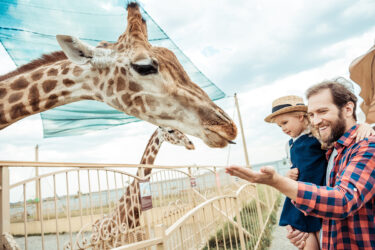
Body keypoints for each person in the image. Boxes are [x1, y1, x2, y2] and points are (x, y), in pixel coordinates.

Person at [226, 81, 375, 249]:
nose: (316, 121)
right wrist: (306, 225)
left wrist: (277, 182)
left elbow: (343, 200)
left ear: (348, 109)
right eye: (311, 115)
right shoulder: (331, 149)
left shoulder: (367, 146)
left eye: (323, 111)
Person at [264, 95, 326, 249]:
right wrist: (288, 175)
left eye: (285, 122)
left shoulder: (318, 135)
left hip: (319, 192)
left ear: (300, 117)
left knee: (323, 236)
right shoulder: (290, 144)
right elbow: (294, 166)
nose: (283, 128)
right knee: (304, 237)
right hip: (299, 194)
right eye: (279, 126)